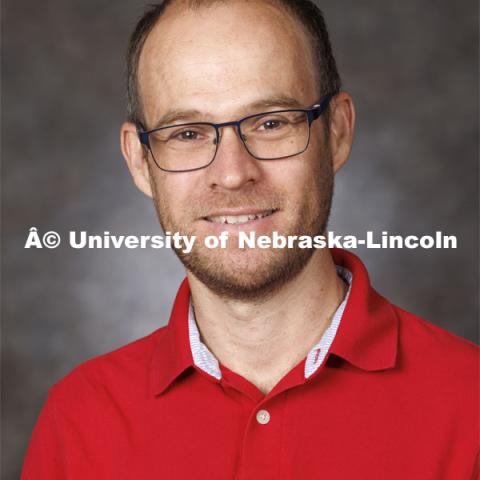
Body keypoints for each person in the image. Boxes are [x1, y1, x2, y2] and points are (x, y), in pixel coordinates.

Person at [22, 0, 478, 478]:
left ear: (337, 132)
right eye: (188, 133)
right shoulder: (80, 418)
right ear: (139, 160)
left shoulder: (471, 404)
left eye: (271, 123)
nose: (233, 174)